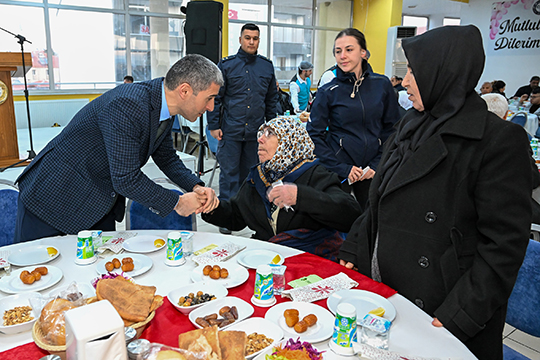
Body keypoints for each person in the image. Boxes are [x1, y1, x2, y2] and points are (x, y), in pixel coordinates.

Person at [338, 25, 538, 359]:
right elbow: (379, 200)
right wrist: (356, 246)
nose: (404, 82)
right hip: (388, 297)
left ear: (442, 72)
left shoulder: (497, 141)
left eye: (414, 71)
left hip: (442, 314)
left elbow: (503, 247)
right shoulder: (411, 123)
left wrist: (459, 315)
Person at [14, 54, 221, 243]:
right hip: (53, 199)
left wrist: (195, 186)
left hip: (96, 204)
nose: (211, 107)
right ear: (184, 90)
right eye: (209, 98)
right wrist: (176, 202)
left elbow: (166, 157)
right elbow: (126, 179)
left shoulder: (163, 109)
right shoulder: (128, 104)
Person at [202, 116, 361, 260]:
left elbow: (350, 214)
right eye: (260, 134)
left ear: (290, 141)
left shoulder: (315, 174)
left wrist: (300, 197)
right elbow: (236, 217)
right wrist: (211, 206)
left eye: (269, 134)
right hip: (266, 258)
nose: (260, 140)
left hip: (308, 259)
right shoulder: (258, 176)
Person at [307, 28, 400, 211]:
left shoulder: (382, 85)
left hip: (373, 170)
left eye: (349, 50)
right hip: (340, 171)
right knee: (340, 220)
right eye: (338, 51)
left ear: (363, 52)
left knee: (372, 219)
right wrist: (342, 167)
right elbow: (313, 136)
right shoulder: (328, 92)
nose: (343, 56)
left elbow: (393, 129)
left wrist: (377, 164)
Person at [207, 23, 279, 234]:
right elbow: (216, 98)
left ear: (259, 40)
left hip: (256, 134)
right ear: (240, 39)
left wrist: (271, 128)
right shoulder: (227, 65)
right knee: (229, 175)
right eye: (247, 37)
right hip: (230, 131)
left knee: (252, 175)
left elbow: (271, 99)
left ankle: (248, 214)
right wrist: (214, 126)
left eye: (255, 38)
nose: (251, 42)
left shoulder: (267, 66)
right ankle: (227, 217)